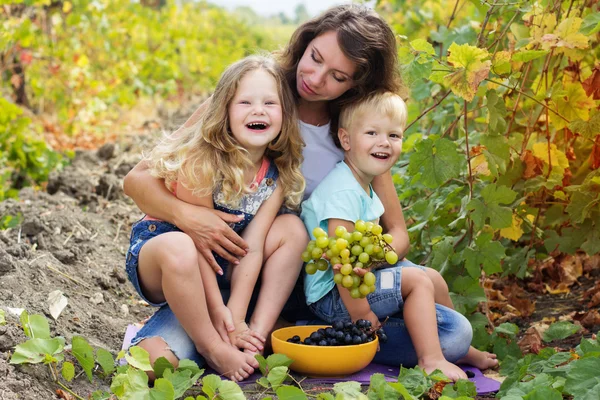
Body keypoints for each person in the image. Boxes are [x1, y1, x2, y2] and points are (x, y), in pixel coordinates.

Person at [123, 4, 496, 381]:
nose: (316, 79)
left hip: (305, 280)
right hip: (209, 262)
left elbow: (396, 230)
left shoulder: (356, 128)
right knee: (158, 361)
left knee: (452, 334)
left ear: (357, 84)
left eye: (337, 76)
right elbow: (136, 180)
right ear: (305, 41)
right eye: (314, 58)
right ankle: (238, 330)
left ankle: (273, 328)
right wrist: (189, 217)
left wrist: (365, 257)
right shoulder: (255, 95)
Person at [124, 55, 305, 382]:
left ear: (285, 114)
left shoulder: (275, 173)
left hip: (221, 272)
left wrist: (234, 314)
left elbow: (253, 247)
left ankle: (252, 335)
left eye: (269, 103)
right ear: (224, 110)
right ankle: (211, 346)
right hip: (170, 259)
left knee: (292, 228)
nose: (258, 110)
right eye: (245, 102)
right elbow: (197, 242)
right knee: (156, 363)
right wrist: (220, 316)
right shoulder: (201, 161)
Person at [301, 92, 497, 381]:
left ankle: (462, 349)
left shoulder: (362, 183)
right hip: (335, 297)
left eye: (394, 135)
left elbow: (366, 256)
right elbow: (341, 266)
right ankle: (431, 359)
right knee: (417, 280)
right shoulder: (342, 192)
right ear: (346, 140)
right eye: (372, 133)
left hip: (358, 282)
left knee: (432, 277)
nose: (384, 142)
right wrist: (362, 316)